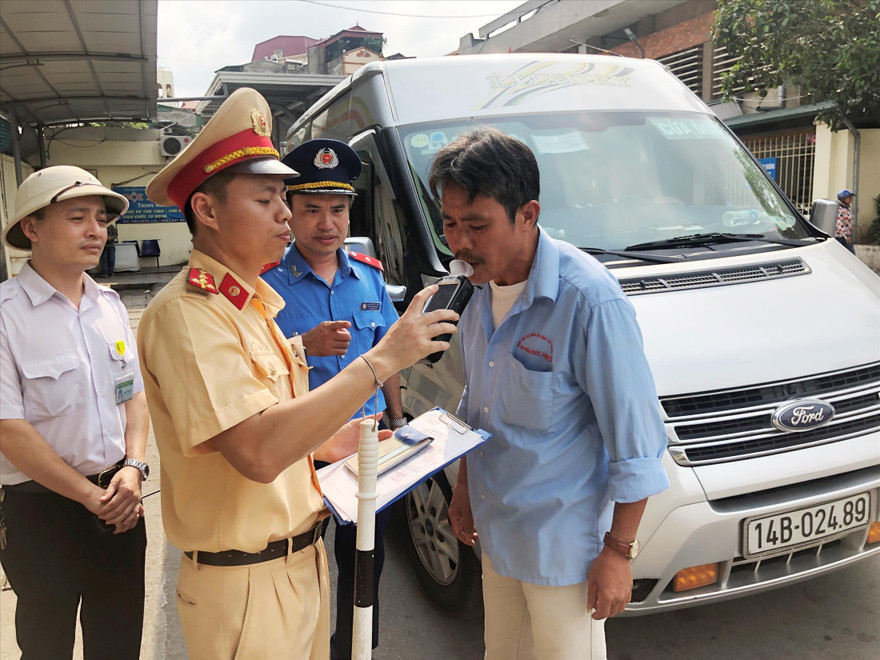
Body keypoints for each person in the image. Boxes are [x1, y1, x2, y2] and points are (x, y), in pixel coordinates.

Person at [137, 88, 458, 660]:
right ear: (207, 211)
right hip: (247, 583)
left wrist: (336, 443)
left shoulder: (248, 305)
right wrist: (382, 359)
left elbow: (273, 423)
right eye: (268, 200)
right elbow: (258, 451)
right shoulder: (190, 314)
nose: (286, 214)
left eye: (285, 199)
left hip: (295, 565)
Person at [432, 127, 670, 660]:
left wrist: (619, 552)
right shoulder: (476, 291)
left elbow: (636, 443)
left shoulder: (588, 300)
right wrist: (464, 489)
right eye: (449, 223)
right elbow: (479, 405)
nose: (460, 243)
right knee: (503, 652)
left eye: (477, 225)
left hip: (563, 551)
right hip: (497, 533)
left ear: (528, 214)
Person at [261, 138, 403, 659]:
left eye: (338, 210)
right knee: (297, 563)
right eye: (312, 210)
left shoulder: (369, 276)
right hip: (302, 454)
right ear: (289, 212)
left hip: (367, 448)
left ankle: (355, 650)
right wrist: (303, 346)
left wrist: (396, 417)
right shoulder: (264, 284)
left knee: (366, 563)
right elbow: (251, 370)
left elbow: (388, 354)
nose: (327, 223)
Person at [0, 165, 149, 659]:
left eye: (101, 220)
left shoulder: (109, 305)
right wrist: (90, 497)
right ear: (32, 227)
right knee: (47, 644)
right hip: (41, 511)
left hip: (120, 498)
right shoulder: (6, 315)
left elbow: (133, 395)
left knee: (119, 639)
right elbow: (8, 429)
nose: (96, 231)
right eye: (77, 217)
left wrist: (134, 466)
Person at [835, 188, 856, 253]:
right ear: (842, 199)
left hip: (846, 236)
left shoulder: (846, 209)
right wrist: (845, 236)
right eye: (849, 197)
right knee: (848, 254)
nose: (851, 199)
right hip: (841, 237)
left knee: (850, 255)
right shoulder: (839, 209)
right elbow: (839, 224)